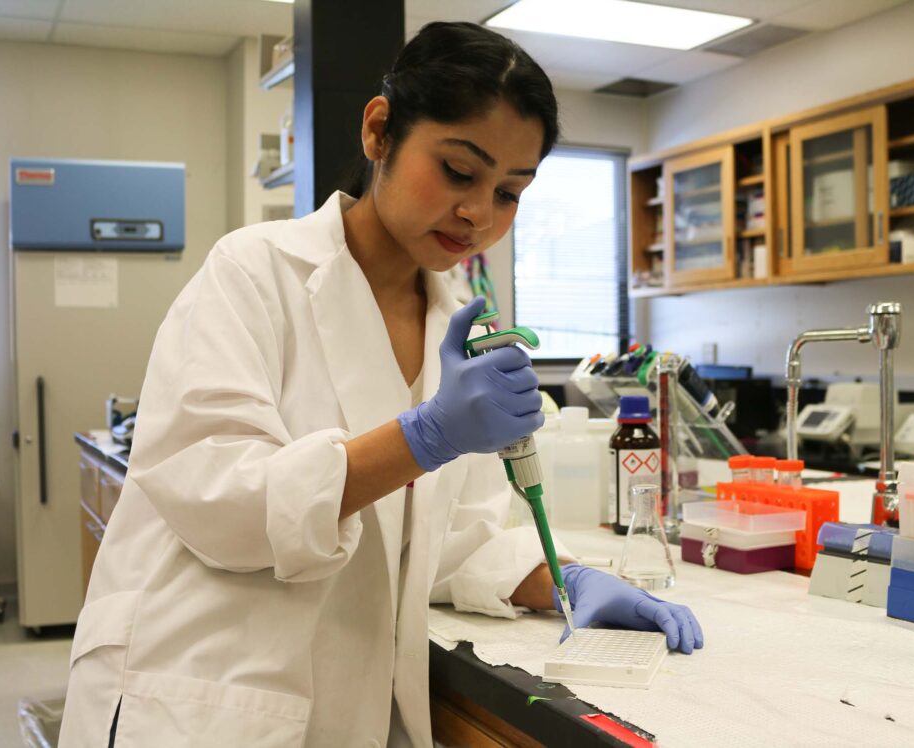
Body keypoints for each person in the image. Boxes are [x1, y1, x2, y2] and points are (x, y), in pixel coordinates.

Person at [59, 21, 702, 747]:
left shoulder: (457, 322)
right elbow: (221, 500)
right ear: (379, 131)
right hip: (198, 700)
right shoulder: (253, 273)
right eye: (460, 171)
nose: (479, 213)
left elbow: (450, 540)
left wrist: (563, 582)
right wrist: (423, 437)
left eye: (510, 192)